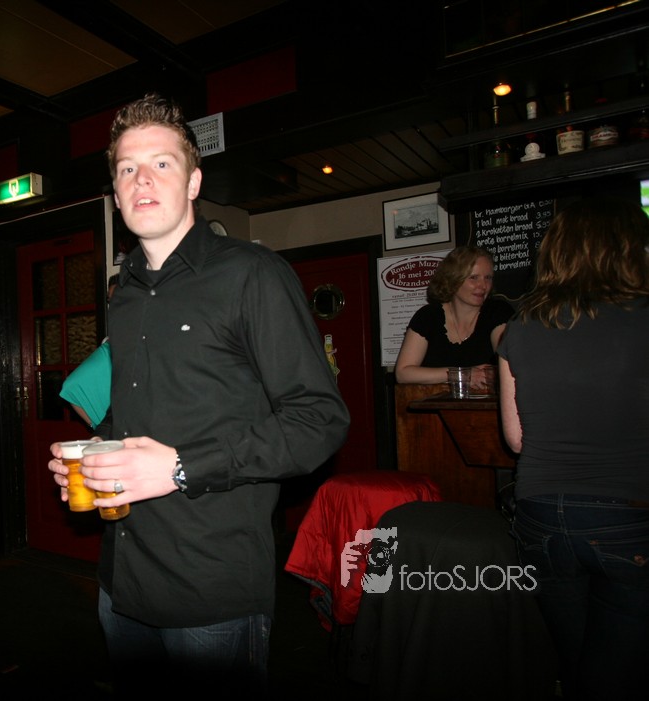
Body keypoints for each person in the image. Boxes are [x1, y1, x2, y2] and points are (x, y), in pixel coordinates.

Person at [46, 94, 349, 695]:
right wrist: (98, 453)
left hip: (211, 588)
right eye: (128, 168)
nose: (142, 179)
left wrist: (181, 467)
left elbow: (320, 420)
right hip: (122, 578)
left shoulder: (252, 274)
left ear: (194, 182)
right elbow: (142, 409)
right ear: (116, 194)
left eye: (162, 163)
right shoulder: (124, 295)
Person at [498, 197, 649, 699]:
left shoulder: (520, 326)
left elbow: (516, 439)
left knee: (574, 661)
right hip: (628, 516)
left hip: (540, 517)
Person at [394, 244, 512, 389]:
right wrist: (460, 374)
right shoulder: (428, 316)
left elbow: (509, 363)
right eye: (474, 278)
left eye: (488, 278)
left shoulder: (498, 312)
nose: (483, 285)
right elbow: (403, 373)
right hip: (434, 402)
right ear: (453, 280)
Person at [59, 274, 118, 429]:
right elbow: (71, 387)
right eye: (110, 300)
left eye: (117, 298)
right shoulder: (109, 347)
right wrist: (97, 425)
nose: (112, 305)